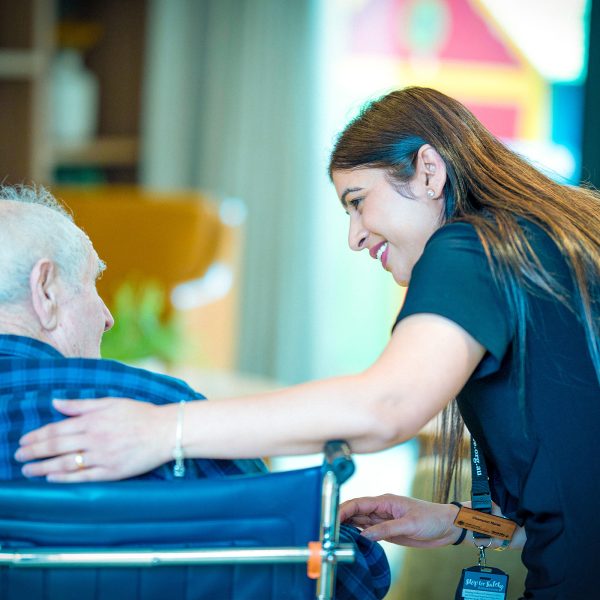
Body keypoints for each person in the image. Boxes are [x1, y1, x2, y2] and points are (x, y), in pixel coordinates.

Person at [17, 88, 599, 599]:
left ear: (428, 171)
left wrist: (160, 431)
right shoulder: (535, 248)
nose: (353, 236)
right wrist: (457, 522)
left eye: (358, 202)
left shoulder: (470, 247)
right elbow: (569, 512)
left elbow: (384, 408)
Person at [0, 185, 390, 600]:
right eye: (92, 281)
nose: (108, 317)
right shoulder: (154, 410)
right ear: (44, 291)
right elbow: (347, 581)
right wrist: (365, 545)